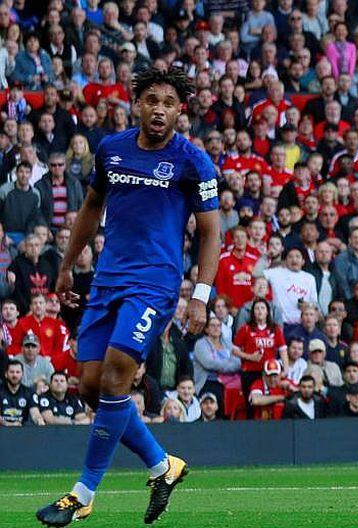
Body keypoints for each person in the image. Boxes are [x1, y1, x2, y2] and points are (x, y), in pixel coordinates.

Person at [38, 68, 221, 527]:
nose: (159, 109)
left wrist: (200, 296)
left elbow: (210, 233)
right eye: (152, 100)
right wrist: (66, 266)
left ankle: (82, 494)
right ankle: (163, 466)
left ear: (180, 111)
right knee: (89, 386)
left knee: (118, 373)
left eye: (169, 103)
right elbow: (91, 207)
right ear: (137, 104)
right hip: (107, 279)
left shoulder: (193, 162)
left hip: (155, 284)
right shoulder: (111, 149)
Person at [0, 360, 44, 426]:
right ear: (6, 374)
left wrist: (39, 420)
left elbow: (35, 413)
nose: (15, 375)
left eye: (18, 372)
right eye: (12, 372)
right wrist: (9, 424)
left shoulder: (29, 392)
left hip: (22, 430)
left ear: (22, 374)